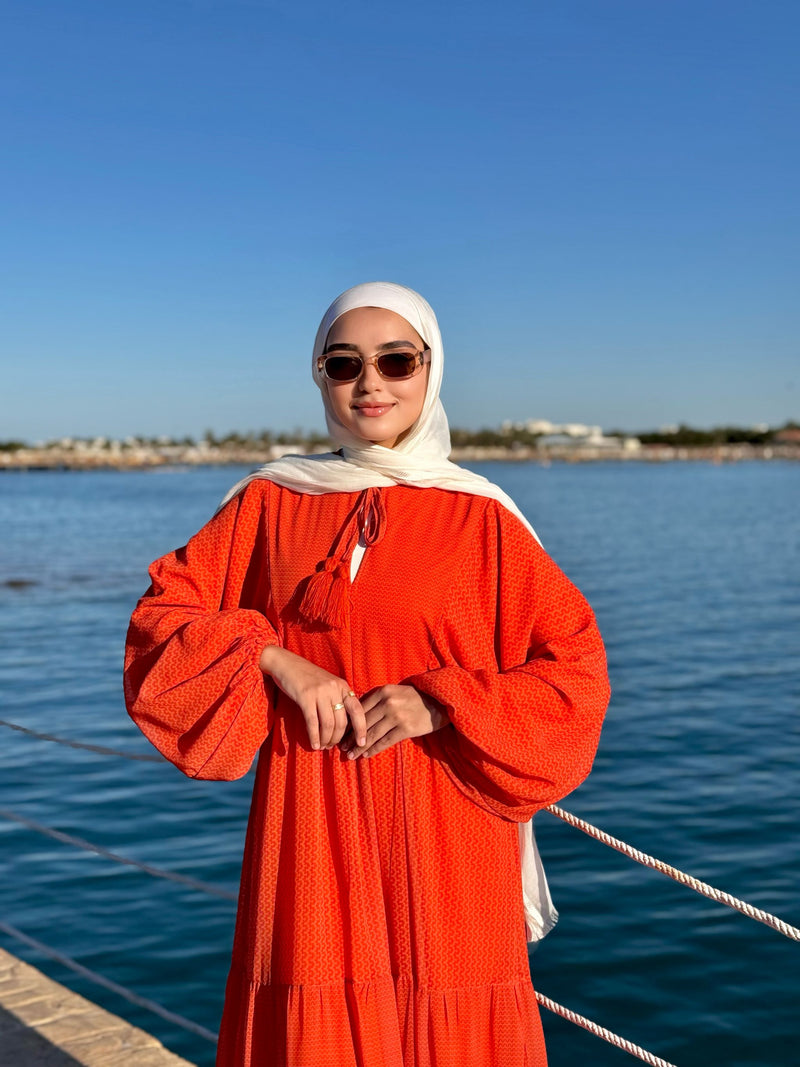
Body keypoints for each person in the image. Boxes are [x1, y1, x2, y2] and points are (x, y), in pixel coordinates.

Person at [124, 281, 610, 1067]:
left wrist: (444, 700)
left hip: (449, 826)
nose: (371, 383)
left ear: (431, 369)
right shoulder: (270, 502)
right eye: (345, 363)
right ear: (320, 376)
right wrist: (271, 657)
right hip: (310, 818)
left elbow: (575, 673)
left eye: (396, 360)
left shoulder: (483, 516)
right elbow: (161, 625)